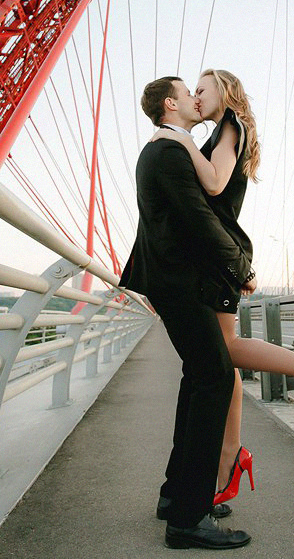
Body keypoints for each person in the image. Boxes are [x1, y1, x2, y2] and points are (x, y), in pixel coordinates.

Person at [151, 69, 294, 508]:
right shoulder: (222, 131)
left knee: (223, 354)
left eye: (201, 89)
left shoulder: (230, 125)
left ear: (224, 92)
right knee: (222, 357)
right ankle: (230, 457)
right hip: (214, 255)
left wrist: (180, 141)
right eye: (192, 92)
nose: (196, 97)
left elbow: (214, 183)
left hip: (221, 254)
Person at [119, 76, 254, 550]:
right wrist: (239, 267)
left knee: (199, 378)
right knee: (214, 377)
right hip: (178, 282)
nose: (196, 99)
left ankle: (176, 496)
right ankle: (188, 518)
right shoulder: (170, 152)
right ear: (170, 104)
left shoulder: (165, 149)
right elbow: (198, 218)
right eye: (187, 92)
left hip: (172, 280)